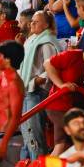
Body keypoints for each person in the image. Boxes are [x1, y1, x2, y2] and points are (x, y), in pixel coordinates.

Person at [18, 10, 61, 159]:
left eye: (37, 21)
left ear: (47, 24)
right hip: (26, 91)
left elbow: (52, 69)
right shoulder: (31, 39)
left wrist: (35, 81)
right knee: (27, 136)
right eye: (32, 21)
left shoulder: (47, 41)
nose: (32, 23)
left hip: (37, 92)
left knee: (35, 135)